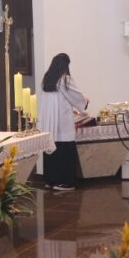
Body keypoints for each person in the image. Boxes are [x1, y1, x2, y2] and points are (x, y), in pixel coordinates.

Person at [38, 53, 89, 191]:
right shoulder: (65, 79)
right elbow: (76, 96)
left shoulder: (47, 79)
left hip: (49, 123)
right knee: (65, 152)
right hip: (62, 123)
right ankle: (66, 182)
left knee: (52, 150)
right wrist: (85, 101)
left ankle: (50, 180)